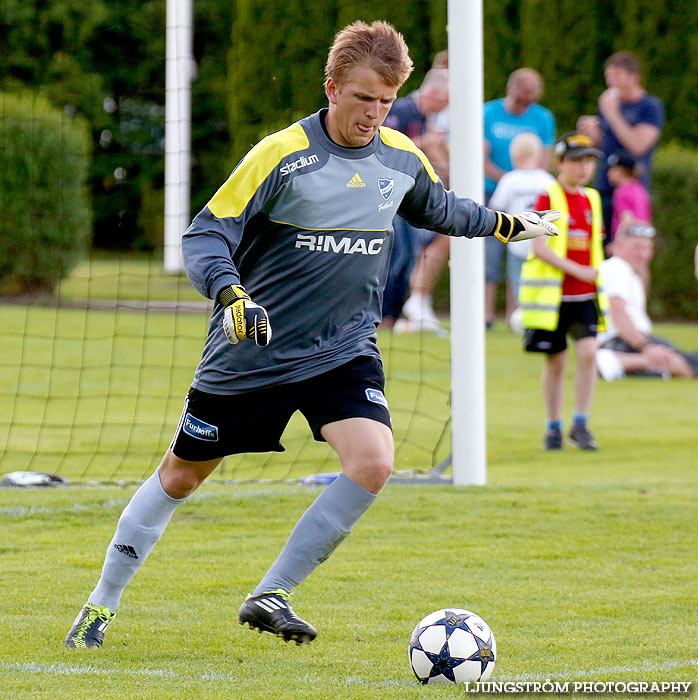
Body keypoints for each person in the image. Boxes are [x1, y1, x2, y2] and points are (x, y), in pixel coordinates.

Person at [64, 20, 559, 649]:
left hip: (343, 349)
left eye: (385, 101)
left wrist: (506, 223)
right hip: (254, 350)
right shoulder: (280, 155)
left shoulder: (399, 156)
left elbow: (442, 208)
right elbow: (205, 234)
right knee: (182, 476)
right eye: (362, 99)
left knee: (375, 462)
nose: (373, 114)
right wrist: (230, 293)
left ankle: (271, 593)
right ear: (331, 87)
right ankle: (102, 603)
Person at [520, 132, 608, 451]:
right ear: (560, 164)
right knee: (555, 363)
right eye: (576, 161)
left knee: (589, 354)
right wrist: (578, 270)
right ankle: (553, 426)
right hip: (553, 298)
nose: (583, 168)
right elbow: (539, 247)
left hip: (585, 295)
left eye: (589, 161)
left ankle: (580, 423)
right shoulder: (548, 197)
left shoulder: (593, 199)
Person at [484, 68, 556, 328]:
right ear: (510, 89)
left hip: (528, 200)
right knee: (489, 256)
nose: (525, 105)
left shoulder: (543, 118)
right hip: (492, 193)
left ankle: (517, 314)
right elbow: (481, 157)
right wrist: (510, 180)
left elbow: (545, 160)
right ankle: (486, 314)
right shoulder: (488, 114)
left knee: (524, 258)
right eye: (520, 99)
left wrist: (523, 182)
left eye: (530, 100)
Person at [380, 66, 449, 330]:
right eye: (445, 102)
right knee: (396, 255)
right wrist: (425, 142)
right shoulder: (400, 110)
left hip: (410, 198)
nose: (446, 108)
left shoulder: (424, 118)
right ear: (433, 93)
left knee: (408, 256)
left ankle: (395, 316)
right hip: (390, 197)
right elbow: (384, 147)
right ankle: (384, 318)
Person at [577, 51, 664, 242]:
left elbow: (638, 145)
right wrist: (592, 132)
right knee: (600, 244)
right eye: (608, 76)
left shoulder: (650, 107)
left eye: (616, 76)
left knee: (628, 244)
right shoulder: (609, 105)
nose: (610, 82)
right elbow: (605, 142)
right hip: (604, 187)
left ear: (634, 77)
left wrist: (612, 113)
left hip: (629, 192)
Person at [596, 219, 698, 380]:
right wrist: (645, 346)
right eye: (637, 247)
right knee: (685, 364)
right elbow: (617, 312)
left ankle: (627, 364)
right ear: (619, 247)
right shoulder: (616, 267)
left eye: (647, 248)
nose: (643, 254)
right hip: (622, 341)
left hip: (629, 341)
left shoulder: (628, 272)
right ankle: (616, 361)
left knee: (686, 363)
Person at [606, 149, 651, 243]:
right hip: (642, 239)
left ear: (622, 171)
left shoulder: (622, 191)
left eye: (613, 169)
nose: (609, 172)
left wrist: (617, 245)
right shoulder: (639, 189)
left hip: (628, 242)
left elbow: (627, 220)